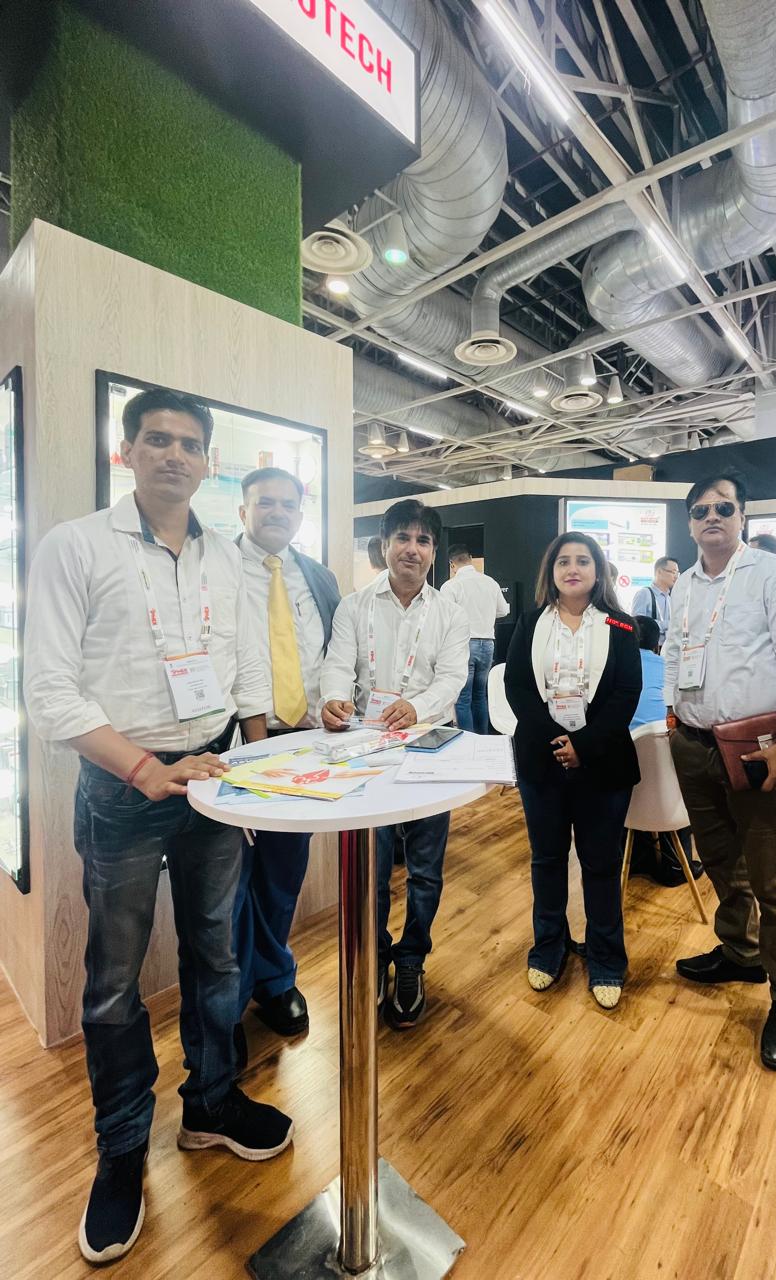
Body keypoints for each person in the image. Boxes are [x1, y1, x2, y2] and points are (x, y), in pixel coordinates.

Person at [23, 388, 293, 1265]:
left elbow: (245, 668)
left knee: (217, 955)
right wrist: (142, 769)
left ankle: (210, 1104)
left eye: (188, 443)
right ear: (126, 452)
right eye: (157, 440)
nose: (174, 454)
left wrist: (255, 773)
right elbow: (48, 692)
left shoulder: (227, 558)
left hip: (212, 779)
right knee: (113, 980)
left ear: (208, 462)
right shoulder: (75, 546)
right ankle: (122, 1150)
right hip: (123, 788)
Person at [664, 472, 776, 1071]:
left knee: (773, 873)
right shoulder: (684, 585)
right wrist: (674, 714)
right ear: (690, 523)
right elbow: (675, 653)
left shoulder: (773, 574)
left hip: (756, 745)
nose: (712, 517)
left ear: (742, 516)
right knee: (720, 859)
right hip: (693, 743)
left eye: (723, 508)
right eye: (701, 510)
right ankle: (740, 951)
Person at [320, 499, 469, 1029]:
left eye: (423, 540)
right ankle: (376, 953)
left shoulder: (450, 612)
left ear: (433, 551)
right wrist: (333, 697)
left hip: (429, 745)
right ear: (383, 546)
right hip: (367, 749)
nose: (412, 548)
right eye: (402, 537)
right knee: (374, 868)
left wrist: (418, 707)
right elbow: (338, 665)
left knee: (425, 869)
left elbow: (452, 679)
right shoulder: (354, 606)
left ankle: (411, 958)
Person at [505, 532, 642, 1010]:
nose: (573, 568)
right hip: (541, 760)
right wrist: (556, 741)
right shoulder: (529, 622)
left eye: (583, 560)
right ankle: (549, 947)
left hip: (602, 763)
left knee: (600, 865)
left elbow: (626, 694)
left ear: (598, 571)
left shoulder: (621, 626)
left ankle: (606, 958)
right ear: (552, 571)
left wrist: (582, 745)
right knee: (546, 860)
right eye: (563, 561)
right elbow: (517, 687)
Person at [232, 467, 340, 1051]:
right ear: (242, 511)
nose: (277, 513)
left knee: (282, 873)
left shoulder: (317, 576)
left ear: (300, 514)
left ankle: (272, 981)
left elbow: (332, 657)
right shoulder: (217, 569)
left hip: (302, 742)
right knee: (227, 883)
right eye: (264, 503)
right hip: (231, 743)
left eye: (287, 505)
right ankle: (228, 999)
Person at [628, 615, 703, 887]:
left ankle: (636, 858)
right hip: (670, 784)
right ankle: (676, 865)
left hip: (625, 787)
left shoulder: (611, 669)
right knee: (679, 765)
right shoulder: (671, 671)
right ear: (657, 643)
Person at [440, 543, 509, 733]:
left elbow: (444, 618)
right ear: (470, 558)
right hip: (488, 644)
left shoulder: (451, 586)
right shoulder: (490, 582)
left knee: (463, 698)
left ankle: (468, 741)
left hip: (464, 645)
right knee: (480, 695)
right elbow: (503, 610)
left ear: (452, 564)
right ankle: (483, 738)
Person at [631, 556, 679, 647]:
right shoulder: (644, 594)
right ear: (659, 572)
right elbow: (637, 624)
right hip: (648, 649)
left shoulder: (670, 599)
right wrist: (668, 624)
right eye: (673, 572)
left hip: (667, 649)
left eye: (677, 573)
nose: (676, 576)